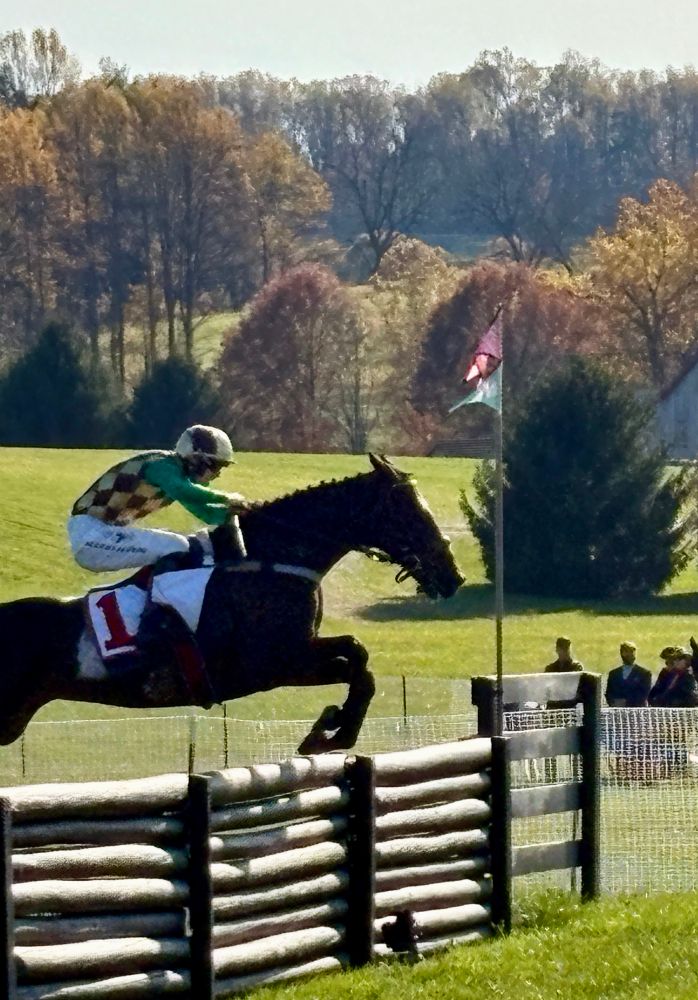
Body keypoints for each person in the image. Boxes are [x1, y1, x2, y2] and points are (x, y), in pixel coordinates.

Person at [68, 425, 246, 573]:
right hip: (92, 536)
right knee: (177, 545)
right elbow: (185, 491)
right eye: (215, 466)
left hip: (106, 534)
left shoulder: (180, 478)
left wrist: (245, 514)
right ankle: (157, 605)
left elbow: (206, 513)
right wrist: (226, 498)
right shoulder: (161, 466)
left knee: (191, 546)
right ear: (195, 459)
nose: (217, 475)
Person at [605, 642, 652, 708]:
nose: (631, 654)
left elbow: (644, 694)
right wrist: (613, 703)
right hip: (617, 711)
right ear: (622, 653)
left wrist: (626, 703)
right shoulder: (613, 674)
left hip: (637, 712)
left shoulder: (644, 673)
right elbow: (609, 693)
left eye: (633, 652)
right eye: (627, 651)